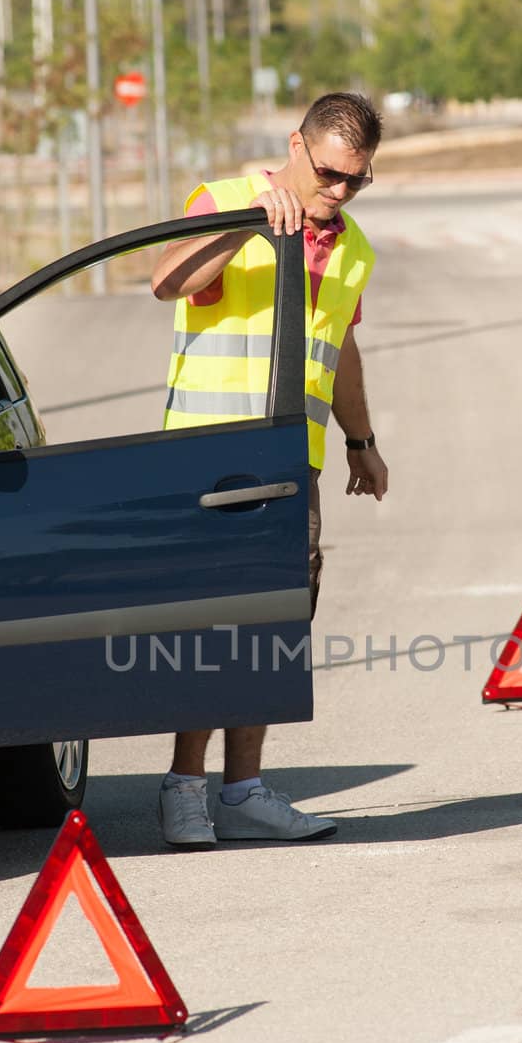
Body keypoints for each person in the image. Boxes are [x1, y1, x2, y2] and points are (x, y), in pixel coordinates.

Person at [150, 90, 388, 850]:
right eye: (328, 174)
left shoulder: (352, 248)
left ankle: (243, 790)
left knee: (274, 624)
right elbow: (169, 281)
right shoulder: (222, 200)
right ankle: (184, 790)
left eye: (357, 180)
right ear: (295, 146)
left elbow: (339, 347)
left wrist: (361, 439)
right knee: (209, 622)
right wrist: (251, 219)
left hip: (294, 461)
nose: (340, 191)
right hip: (207, 450)